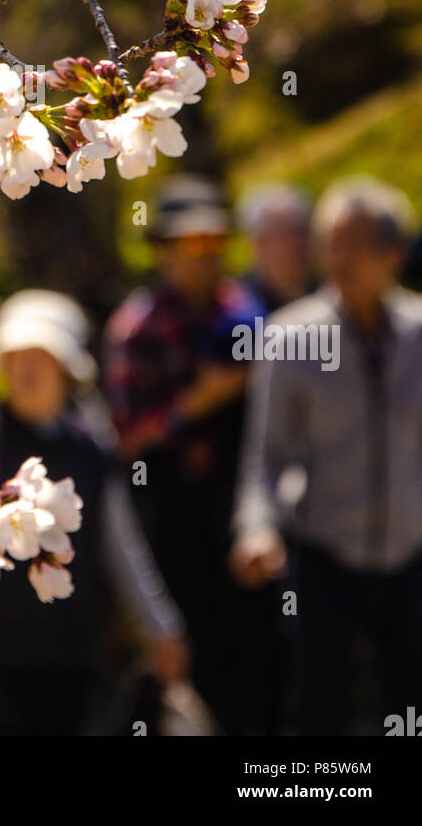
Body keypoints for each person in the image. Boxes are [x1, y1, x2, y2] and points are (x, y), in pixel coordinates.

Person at [230, 177, 422, 735]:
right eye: (329, 243)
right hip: (323, 557)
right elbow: (264, 457)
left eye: (354, 244)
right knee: (318, 711)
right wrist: (256, 529)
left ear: (394, 253)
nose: (338, 259)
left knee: (410, 709)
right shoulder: (290, 338)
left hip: (412, 556)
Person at [0, 289, 189, 737]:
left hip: (76, 654)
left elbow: (122, 547)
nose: (24, 372)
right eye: (15, 359)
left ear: (65, 371)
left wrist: (160, 626)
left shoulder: (94, 452)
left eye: (38, 360)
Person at [103, 176, 280, 735]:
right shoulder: (137, 330)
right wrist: (200, 401)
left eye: (215, 242)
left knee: (255, 652)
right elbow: (128, 438)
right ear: (163, 252)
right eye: (191, 245)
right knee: (184, 648)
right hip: (172, 510)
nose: (206, 257)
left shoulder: (248, 310)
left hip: (243, 505)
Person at [238, 184, 315, 315]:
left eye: (302, 231)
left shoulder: (331, 294)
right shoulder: (237, 308)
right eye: (285, 233)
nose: (297, 243)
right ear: (258, 242)